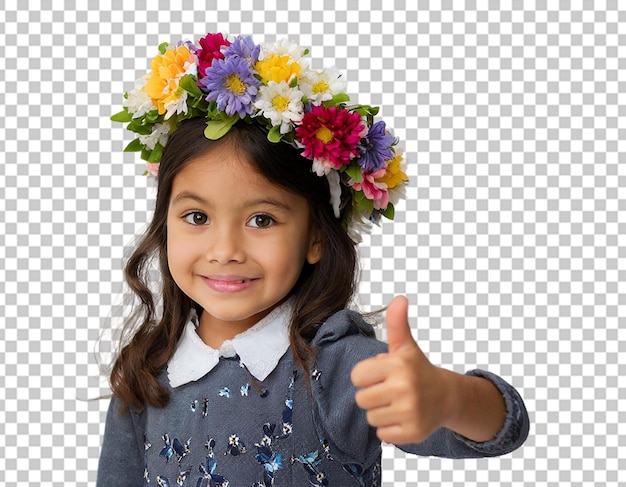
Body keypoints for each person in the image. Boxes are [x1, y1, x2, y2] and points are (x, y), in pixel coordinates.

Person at [97, 32, 529, 487]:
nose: (224, 251)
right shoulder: (146, 371)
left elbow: (503, 430)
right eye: (197, 216)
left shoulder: (340, 368)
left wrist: (450, 397)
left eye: (262, 220)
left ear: (316, 237)